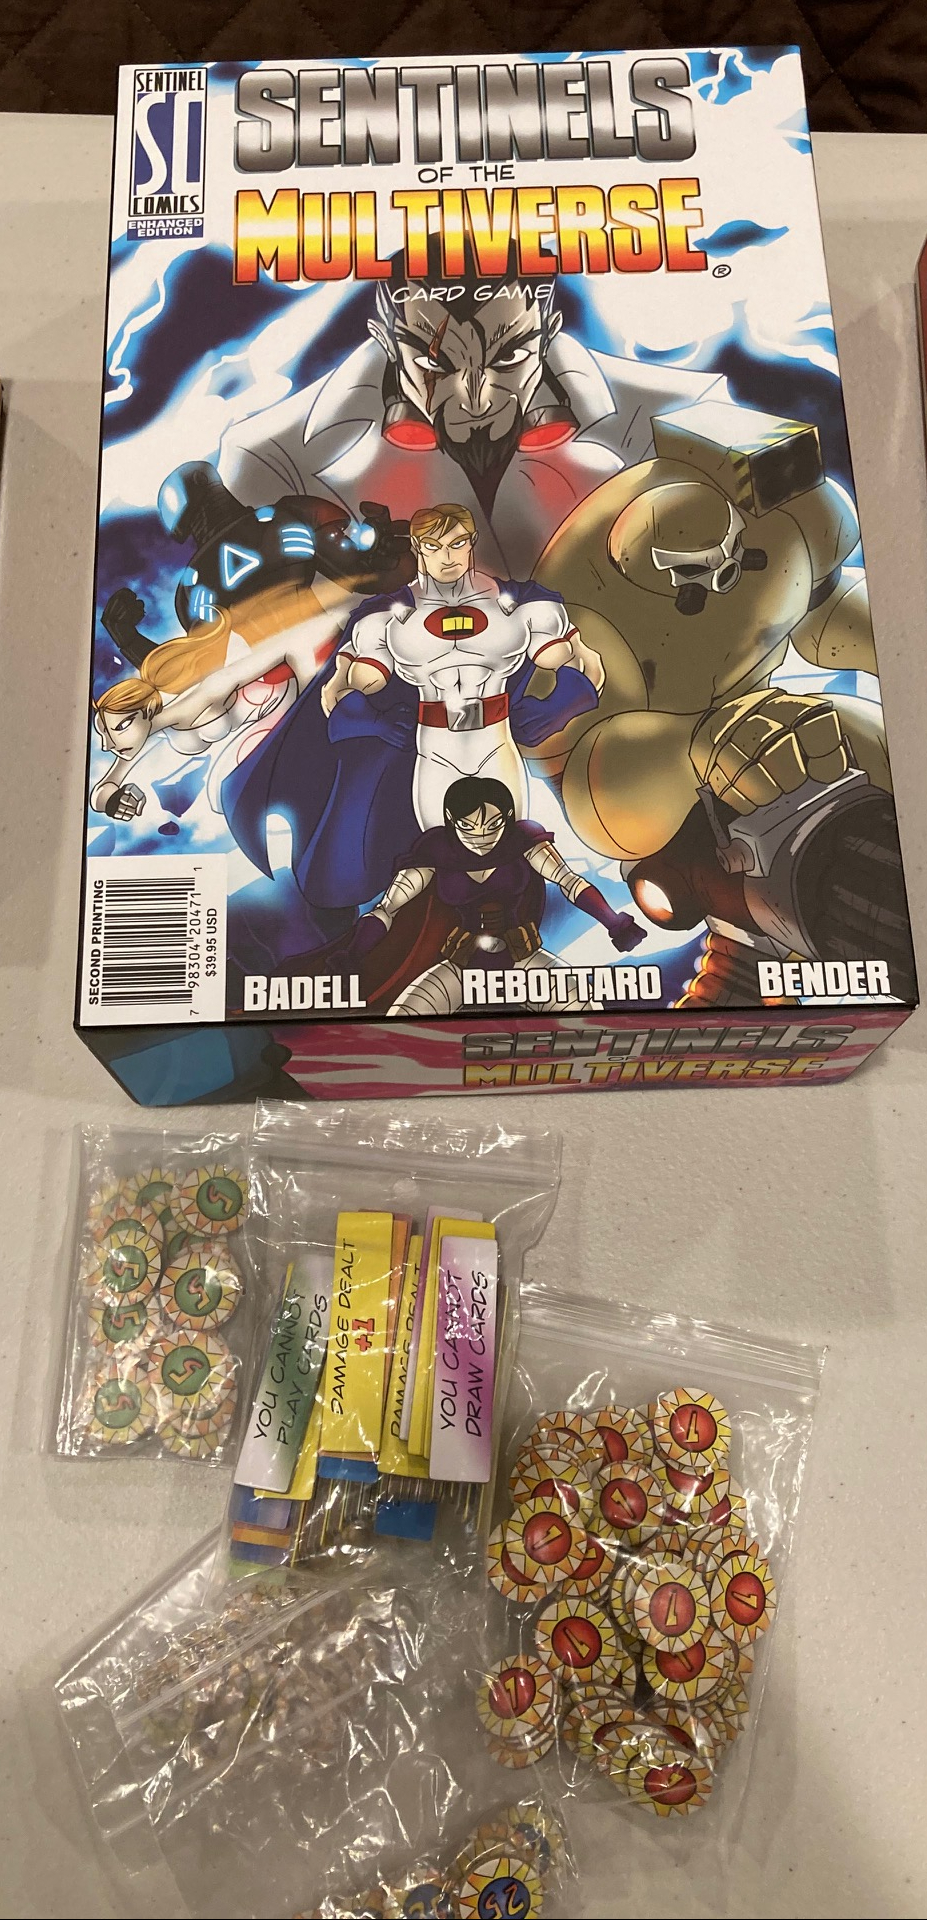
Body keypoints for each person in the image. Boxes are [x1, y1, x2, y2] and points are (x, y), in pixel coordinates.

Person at [217, 270, 728, 579]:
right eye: (435, 365)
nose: (476, 398)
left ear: (548, 331)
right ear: (386, 342)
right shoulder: (269, 459)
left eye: (509, 357)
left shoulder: (683, 413)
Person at [324, 501, 604, 828]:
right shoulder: (386, 619)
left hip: (496, 743)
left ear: (472, 541)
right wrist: (373, 722)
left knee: (509, 842)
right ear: (417, 546)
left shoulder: (521, 605)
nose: (447, 557)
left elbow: (585, 662)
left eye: (457, 543)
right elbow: (339, 689)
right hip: (434, 748)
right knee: (436, 847)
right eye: (433, 546)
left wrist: (560, 707)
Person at [336, 775, 645, 1017]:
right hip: (461, 966)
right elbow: (387, 908)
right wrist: (352, 954)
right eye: (467, 827)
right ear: (450, 819)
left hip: (524, 960)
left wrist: (614, 922)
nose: (481, 837)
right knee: (401, 1021)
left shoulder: (521, 840)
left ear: (507, 817)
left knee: (588, 1015)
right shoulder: (437, 850)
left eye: (492, 825)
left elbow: (568, 882)